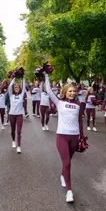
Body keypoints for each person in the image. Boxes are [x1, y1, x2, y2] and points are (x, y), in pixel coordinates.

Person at [44, 73, 83, 203]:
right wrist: (46, 76)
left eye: (74, 91)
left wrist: (82, 136)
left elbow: (80, 121)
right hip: (62, 136)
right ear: (65, 92)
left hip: (75, 136)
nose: (72, 93)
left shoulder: (78, 104)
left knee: (67, 162)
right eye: (69, 91)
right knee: (67, 163)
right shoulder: (59, 102)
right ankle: (69, 191)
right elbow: (49, 91)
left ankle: (62, 175)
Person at [8, 76, 27, 153]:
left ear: (19, 89)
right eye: (15, 87)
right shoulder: (11, 95)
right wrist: (14, 78)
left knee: (19, 131)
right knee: (13, 130)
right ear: (13, 88)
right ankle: (13, 141)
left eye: (17, 87)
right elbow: (9, 87)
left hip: (19, 115)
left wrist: (22, 78)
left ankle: (19, 146)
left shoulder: (21, 95)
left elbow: (24, 86)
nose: (16, 88)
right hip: (12, 115)